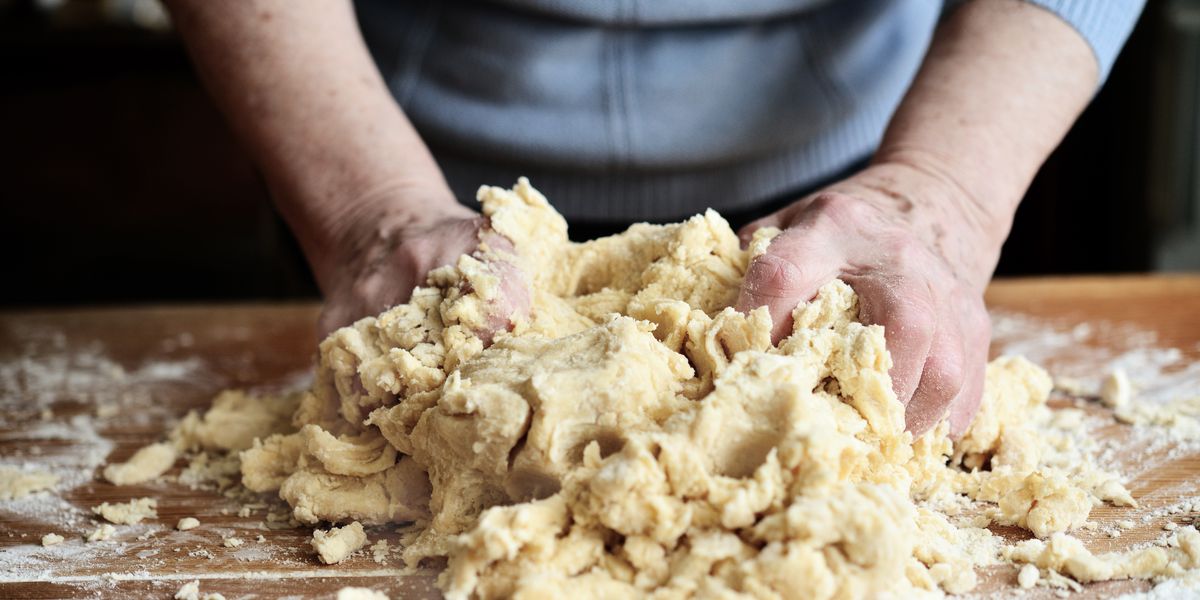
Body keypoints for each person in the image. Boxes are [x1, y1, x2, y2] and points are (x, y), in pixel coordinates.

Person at [161, 0, 1144, 435]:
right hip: (383, 166)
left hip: (875, 174)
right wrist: (371, 215)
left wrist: (939, 196)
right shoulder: (379, 212)